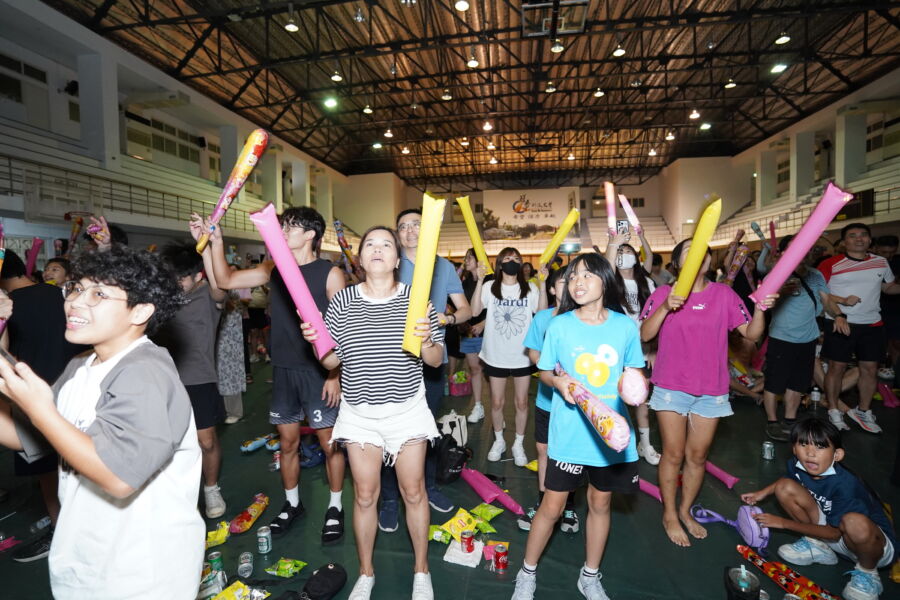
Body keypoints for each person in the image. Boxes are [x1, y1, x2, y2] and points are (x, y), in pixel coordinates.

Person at [0, 246, 204, 598]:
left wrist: (42, 411)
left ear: (140, 311)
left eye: (98, 294)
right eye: (76, 288)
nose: (76, 302)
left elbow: (118, 476)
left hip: (141, 571)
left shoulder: (145, 373)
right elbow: (25, 435)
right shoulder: (82, 365)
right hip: (87, 557)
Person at [302, 225, 443, 600]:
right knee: (365, 495)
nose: (377, 249)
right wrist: (318, 343)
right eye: (370, 245)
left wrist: (428, 338)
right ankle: (366, 573)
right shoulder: (343, 301)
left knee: (414, 493)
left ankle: (421, 570)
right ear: (360, 259)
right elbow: (334, 359)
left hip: (406, 410)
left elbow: (435, 360)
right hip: (360, 412)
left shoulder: (416, 299)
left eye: (386, 245)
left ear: (398, 259)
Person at [206, 207, 348, 542]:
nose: (282, 231)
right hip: (283, 369)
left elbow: (343, 328)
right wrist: (215, 240)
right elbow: (225, 280)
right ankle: (292, 503)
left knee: (330, 445)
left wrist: (335, 374)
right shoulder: (273, 269)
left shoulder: (330, 274)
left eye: (290, 227)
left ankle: (336, 506)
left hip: (318, 371)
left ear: (310, 234)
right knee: (287, 443)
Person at [511, 253, 644, 600]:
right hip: (569, 434)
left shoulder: (625, 326)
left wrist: (633, 387)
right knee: (552, 507)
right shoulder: (560, 325)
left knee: (600, 504)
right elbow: (543, 371)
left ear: (605, 280)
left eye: (586, 275)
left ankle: (590, 575)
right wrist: (559, 384)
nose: (577, 283)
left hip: (610, 437)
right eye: (572, 278)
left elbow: (634, 372)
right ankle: (527, 572)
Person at [640, 237, 775, 547]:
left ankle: (686, 510)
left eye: (703, 251)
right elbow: (646, 334)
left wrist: (761, 308)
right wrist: (665, 305)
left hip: (711, 389)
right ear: (676, 263)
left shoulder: (723, 295)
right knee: (673, 453)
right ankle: (670, 513)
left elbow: (751, 335)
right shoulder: (663, 292)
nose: (697, 253)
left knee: (697, 457)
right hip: (672, 386)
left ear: (709, 262)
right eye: (689, 250)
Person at [378, 209, 472, 531]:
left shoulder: (443, 267)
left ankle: (429, 486)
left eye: (415, 224)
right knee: (390, 432)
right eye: (402, 226)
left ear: (428, 228)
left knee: (427, 429)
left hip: (432, 359)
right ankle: (390, 499)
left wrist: (445, 320)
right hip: (393, 362)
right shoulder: (390, 265)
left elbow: (466, 310)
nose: (408, 231)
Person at [742, 417, 895, 600]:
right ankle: (818, 546)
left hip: (872, 546)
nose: (810, 453)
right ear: (794, 449)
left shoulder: (846, 485)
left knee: (854, 521)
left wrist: (783, 523)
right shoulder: (797, 465)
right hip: (832, 529)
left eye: (820, 446)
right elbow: (784, 482)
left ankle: (868, 573)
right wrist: (762, 493)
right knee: (784, 486)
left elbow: (834, 533)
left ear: (837, 455)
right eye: (803, 445)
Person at [0, 250, 88, 563]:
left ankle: (61, 531)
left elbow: (5, 358)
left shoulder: (7, 308)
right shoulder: (60, 294)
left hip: (32, 396)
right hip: (76, 387)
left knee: (48, 473)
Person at [156, 234, 228, 519]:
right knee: (168, 443)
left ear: (198, 275)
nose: (175, 283)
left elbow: (221, 288)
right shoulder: (163, 298)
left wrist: (209, 245)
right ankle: (176, 493)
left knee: (206, 441)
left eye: (181, 278)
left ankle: (211, 489)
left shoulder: (209, 295)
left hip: (199, 378)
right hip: (163, 379)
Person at [818, 223, 900, 433]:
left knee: (870, 370)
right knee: (837, 367)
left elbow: (888, 287)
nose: (859, 239)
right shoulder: (830, 264)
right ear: (844, 242)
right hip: (840, 322)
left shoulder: (881, 262)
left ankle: (864, 410)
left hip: (872, 323)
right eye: (852, 236)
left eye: (863, 235)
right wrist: (842, 304)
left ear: (870, 240)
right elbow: (820, 294)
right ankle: (834, 408)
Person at [470, 247, 547, 466]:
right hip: (496, 354)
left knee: (522, 402)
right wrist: (479, 279)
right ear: (499, 264)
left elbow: (541, 314)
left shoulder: (529, 288)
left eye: (516, 258)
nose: (512, 261)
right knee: (496, 402)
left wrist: (542, 284)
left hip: (522, 355)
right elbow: (475, 312)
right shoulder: (489, 287)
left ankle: (519, 444)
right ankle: (499, 440)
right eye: (507, 258)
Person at [521, 267, 580, 534]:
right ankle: (545, 499)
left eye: (574, 280)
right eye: (564, 281)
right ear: (553, 289)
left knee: (570, 456)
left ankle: (569, 505)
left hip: (576, 404)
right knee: (544, 451)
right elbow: (532, 350)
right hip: (547, 399)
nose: (570, 285)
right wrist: (548, 367)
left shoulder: (583, 319)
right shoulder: (543, 318)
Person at [606, 232, 661, 465]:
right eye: (620, 252)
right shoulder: (610, 282)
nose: (624, 256)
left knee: (642, 398)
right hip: (615, 346)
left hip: (642, 346)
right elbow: (606, 268)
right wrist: (613, 244)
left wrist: (651, 349)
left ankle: (645, 444)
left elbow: (654, 316)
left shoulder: (646, 282)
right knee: (616, 397)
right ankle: (619, 440)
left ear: (636, 257)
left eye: (628, 251)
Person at [459, 248, 489, 424]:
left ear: (479, 261)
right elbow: (462, 307)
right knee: (475, 370)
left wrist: (483, 324)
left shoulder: (490, 281)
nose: (466, 260)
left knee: (491, 374)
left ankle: (496, 406)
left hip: (488, 333)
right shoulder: (465, 283)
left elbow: (496, 309)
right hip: (469, 334)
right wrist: (461, 322)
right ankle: (478, 406)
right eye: (466, 257)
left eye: (469, 257)